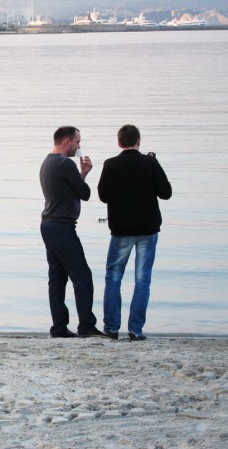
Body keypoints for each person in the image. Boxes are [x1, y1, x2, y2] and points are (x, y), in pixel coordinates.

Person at [98, 125, 172, 341]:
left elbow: (103, 196)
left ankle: (111, 328)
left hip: (121, 230)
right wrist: (154, 162)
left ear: (119, 142)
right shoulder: (149, 162)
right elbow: (166, 192)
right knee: (142, 280)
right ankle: (135, 330)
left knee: (113, 277)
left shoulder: (110, 164)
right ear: (138, 141)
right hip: (147, 229)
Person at [39, 126, 105, 338]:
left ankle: (59, 327)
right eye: (77, 142)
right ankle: (86, 326)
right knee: (82, 276)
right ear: (66, 141)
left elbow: (71, 191)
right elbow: (84, 193)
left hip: (49, 224)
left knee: (57, 278)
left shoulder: (47, 162)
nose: (79, 146)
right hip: (61, 226)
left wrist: (81, 174)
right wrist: (83, 173)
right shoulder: (65, 163)